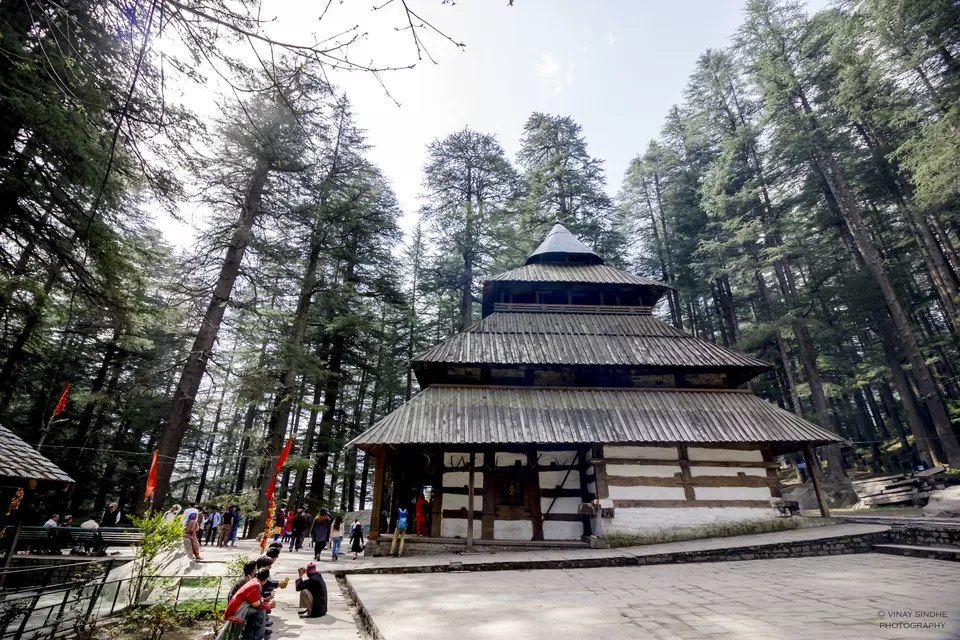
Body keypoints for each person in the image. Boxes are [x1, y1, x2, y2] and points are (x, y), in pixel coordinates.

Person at [217, 568, 274, 640]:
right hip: (237, 610)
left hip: (238, 608)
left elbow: (254, 600)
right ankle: (257, 637)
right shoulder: (256, 585)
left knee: (258, 612)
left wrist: (265, 600)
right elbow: (257, 604)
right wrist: (269, 605)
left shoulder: (254, 581)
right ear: (265, 579)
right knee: (260, 612)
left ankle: (249, 637)